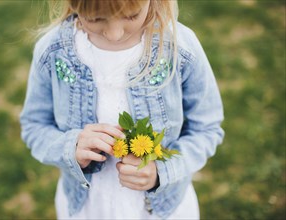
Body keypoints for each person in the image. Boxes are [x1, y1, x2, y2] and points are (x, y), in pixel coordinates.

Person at [20, 0, 224, 219]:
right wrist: (71, 147)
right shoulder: (52, 51)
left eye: (131, 15)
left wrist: (162, 172)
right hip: (88, 207)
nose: (115, 34)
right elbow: (34, 125)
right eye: (96, 19)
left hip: (162, 209)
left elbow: (207, 128)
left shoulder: (179, 48)